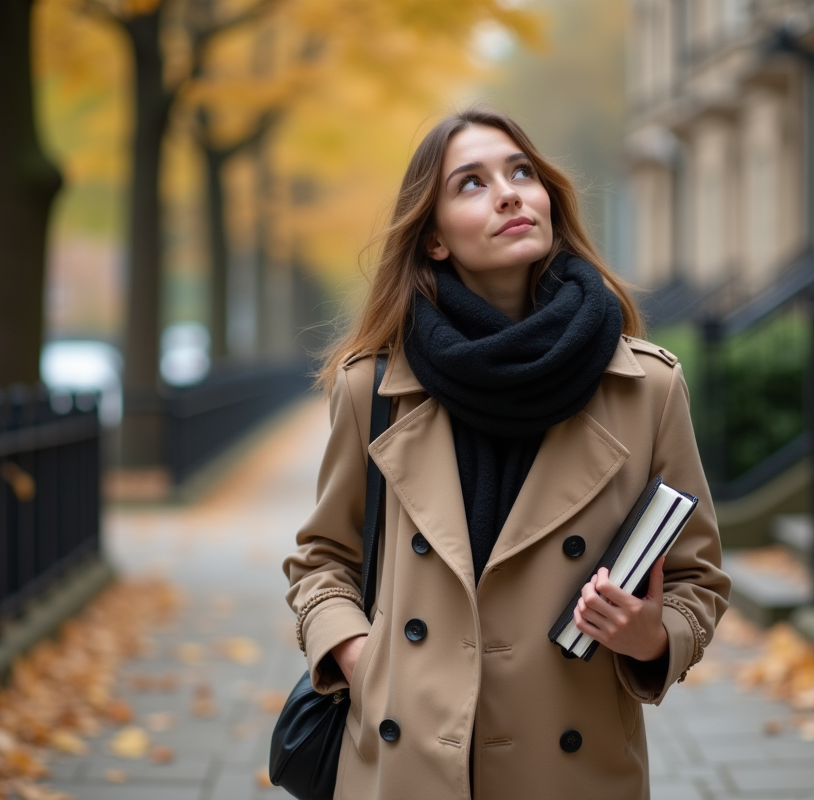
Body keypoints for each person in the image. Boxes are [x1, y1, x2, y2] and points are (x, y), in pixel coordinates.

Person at [283, 107, 731, 799]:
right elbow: (323, 563)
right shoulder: (372, 388)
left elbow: (698, 580)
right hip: (407, 767)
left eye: (522, 171)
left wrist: (650, 636)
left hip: (570, 768)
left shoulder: (647, 388)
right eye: (471, 182)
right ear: (433, 239)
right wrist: (364, 658)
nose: (509, 192)